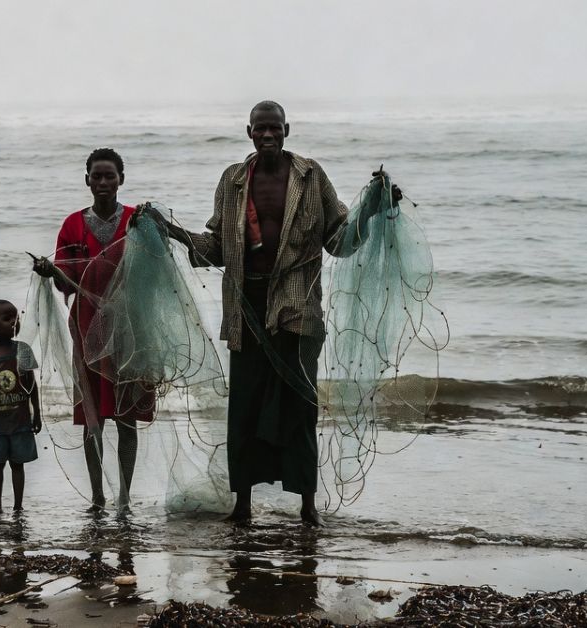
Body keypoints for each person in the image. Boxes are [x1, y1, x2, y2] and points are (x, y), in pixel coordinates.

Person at [153, 101, 399, 526]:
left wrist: (371, 211)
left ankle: (307, 509)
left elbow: (337, 241)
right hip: (246, 311)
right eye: (260, 129)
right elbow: (217, 248)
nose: (267, 136)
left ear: (287, 129)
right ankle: (242, 507)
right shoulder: (232, 181)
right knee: (244, 410)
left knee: (300, 409)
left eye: (275, 129)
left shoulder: (310, 175)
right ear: (248, 131)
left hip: (298, 311)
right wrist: (172, 232)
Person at [32, 148, 154, 510]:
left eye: (109, 176)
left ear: (121, 179)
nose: (103, 182)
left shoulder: (136, 220)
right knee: (92, 419)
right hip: (86, 331)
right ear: (87, 180)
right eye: (96, 176)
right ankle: (98, 496)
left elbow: (153, 273)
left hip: (131, 332)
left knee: (126, 419)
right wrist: (50, 271)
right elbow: (67, 282)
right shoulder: (72, 225)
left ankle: (125, 497)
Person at [0, 299, 42, 514]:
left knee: (18, 465)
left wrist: (37, 413)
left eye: (16, 318)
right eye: (7, 319)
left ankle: (18, 506)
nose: (13, 322)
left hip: (20, 420)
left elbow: (32, 386)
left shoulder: (23, 350)